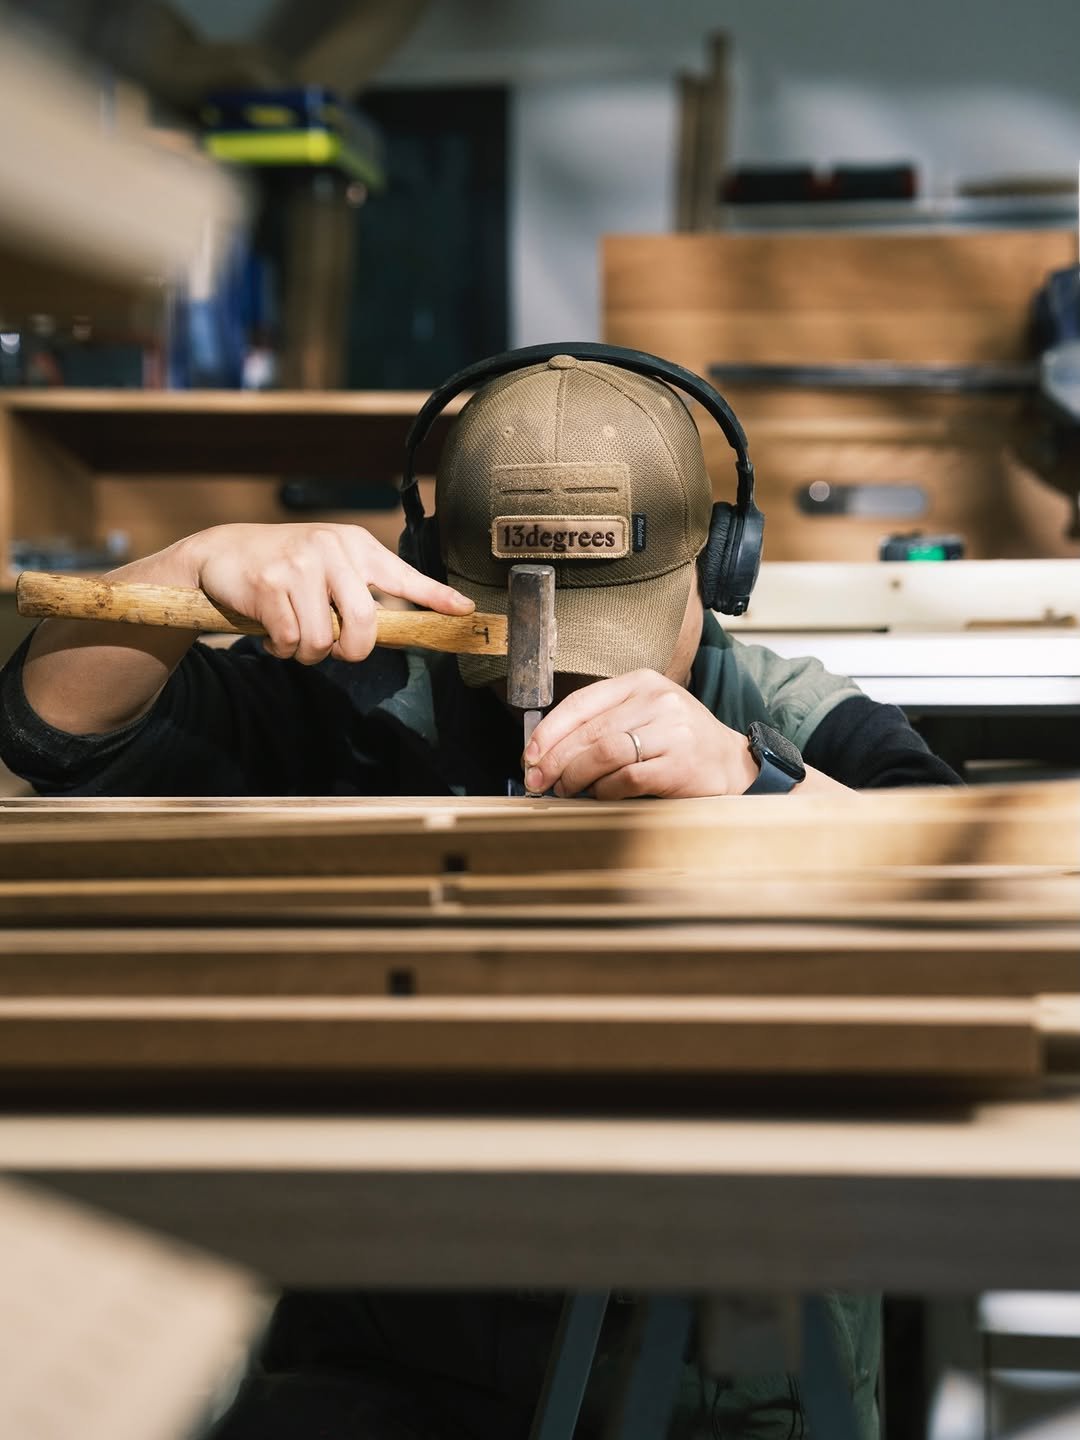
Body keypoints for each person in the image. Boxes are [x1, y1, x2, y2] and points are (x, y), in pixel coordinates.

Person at [0, 350, 960, 1439]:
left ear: (718, 567)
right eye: (510, 641)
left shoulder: (787, 716)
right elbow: (53, 734)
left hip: (715, 1357)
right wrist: (184, 573)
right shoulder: (360, 702)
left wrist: (761, 786)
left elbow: (970, 894)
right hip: (398, 1331)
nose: (557, 686)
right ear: (431, 566)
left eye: (614, 631)